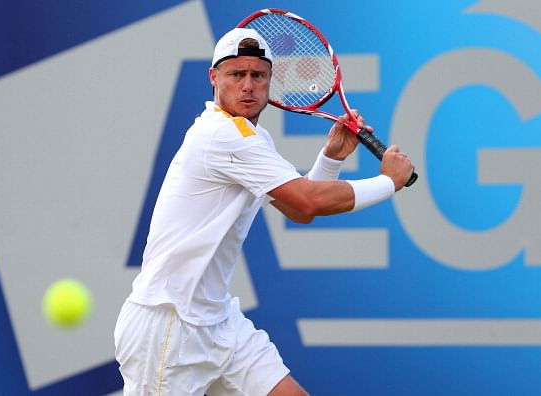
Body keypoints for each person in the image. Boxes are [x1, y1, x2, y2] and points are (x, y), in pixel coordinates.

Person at [114, 27, 414, 396]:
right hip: (169, 326)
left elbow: (298, 211)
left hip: (219, 322)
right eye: (236, 75)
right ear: (214, 78)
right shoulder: (221, 136)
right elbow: (309, 200)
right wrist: (389, 182)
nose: (248, 86)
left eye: (258, 75)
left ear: (270, 81)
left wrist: (331, 157)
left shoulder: (254, 139)